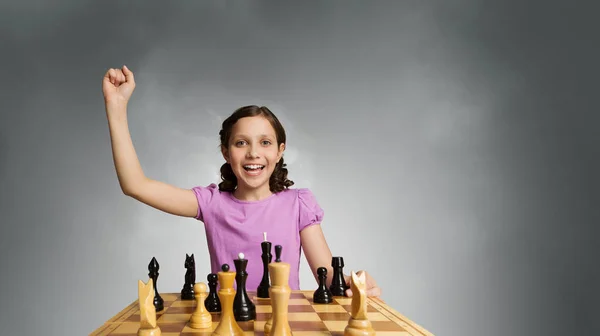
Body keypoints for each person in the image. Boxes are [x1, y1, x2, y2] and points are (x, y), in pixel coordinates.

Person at [102, 65, 381, 297]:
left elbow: (328, 278)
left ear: (280, 150)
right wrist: (116, 106)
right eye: (241, 143)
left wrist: (355, 282)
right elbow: (134, 185)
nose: (253, 153)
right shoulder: (211, 203)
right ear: (226, 151)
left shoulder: (299, 204)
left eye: (265, 142)